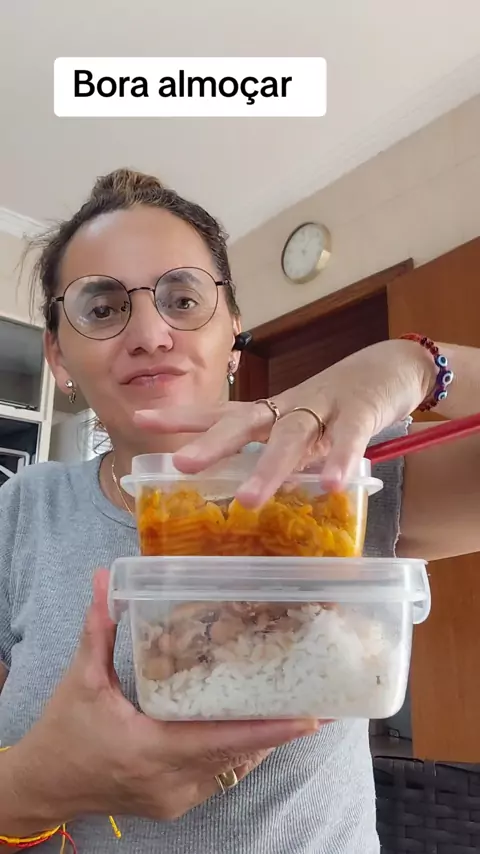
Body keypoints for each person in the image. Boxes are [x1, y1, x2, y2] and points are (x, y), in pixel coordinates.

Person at [0, 168, 479, 854]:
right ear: (57, 353)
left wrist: (417, 365)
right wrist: (34, 787)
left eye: (182, 298)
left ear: (233, 330)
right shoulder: (22, 511)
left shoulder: (332, 477)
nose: (150, 333)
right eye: (102, 309)